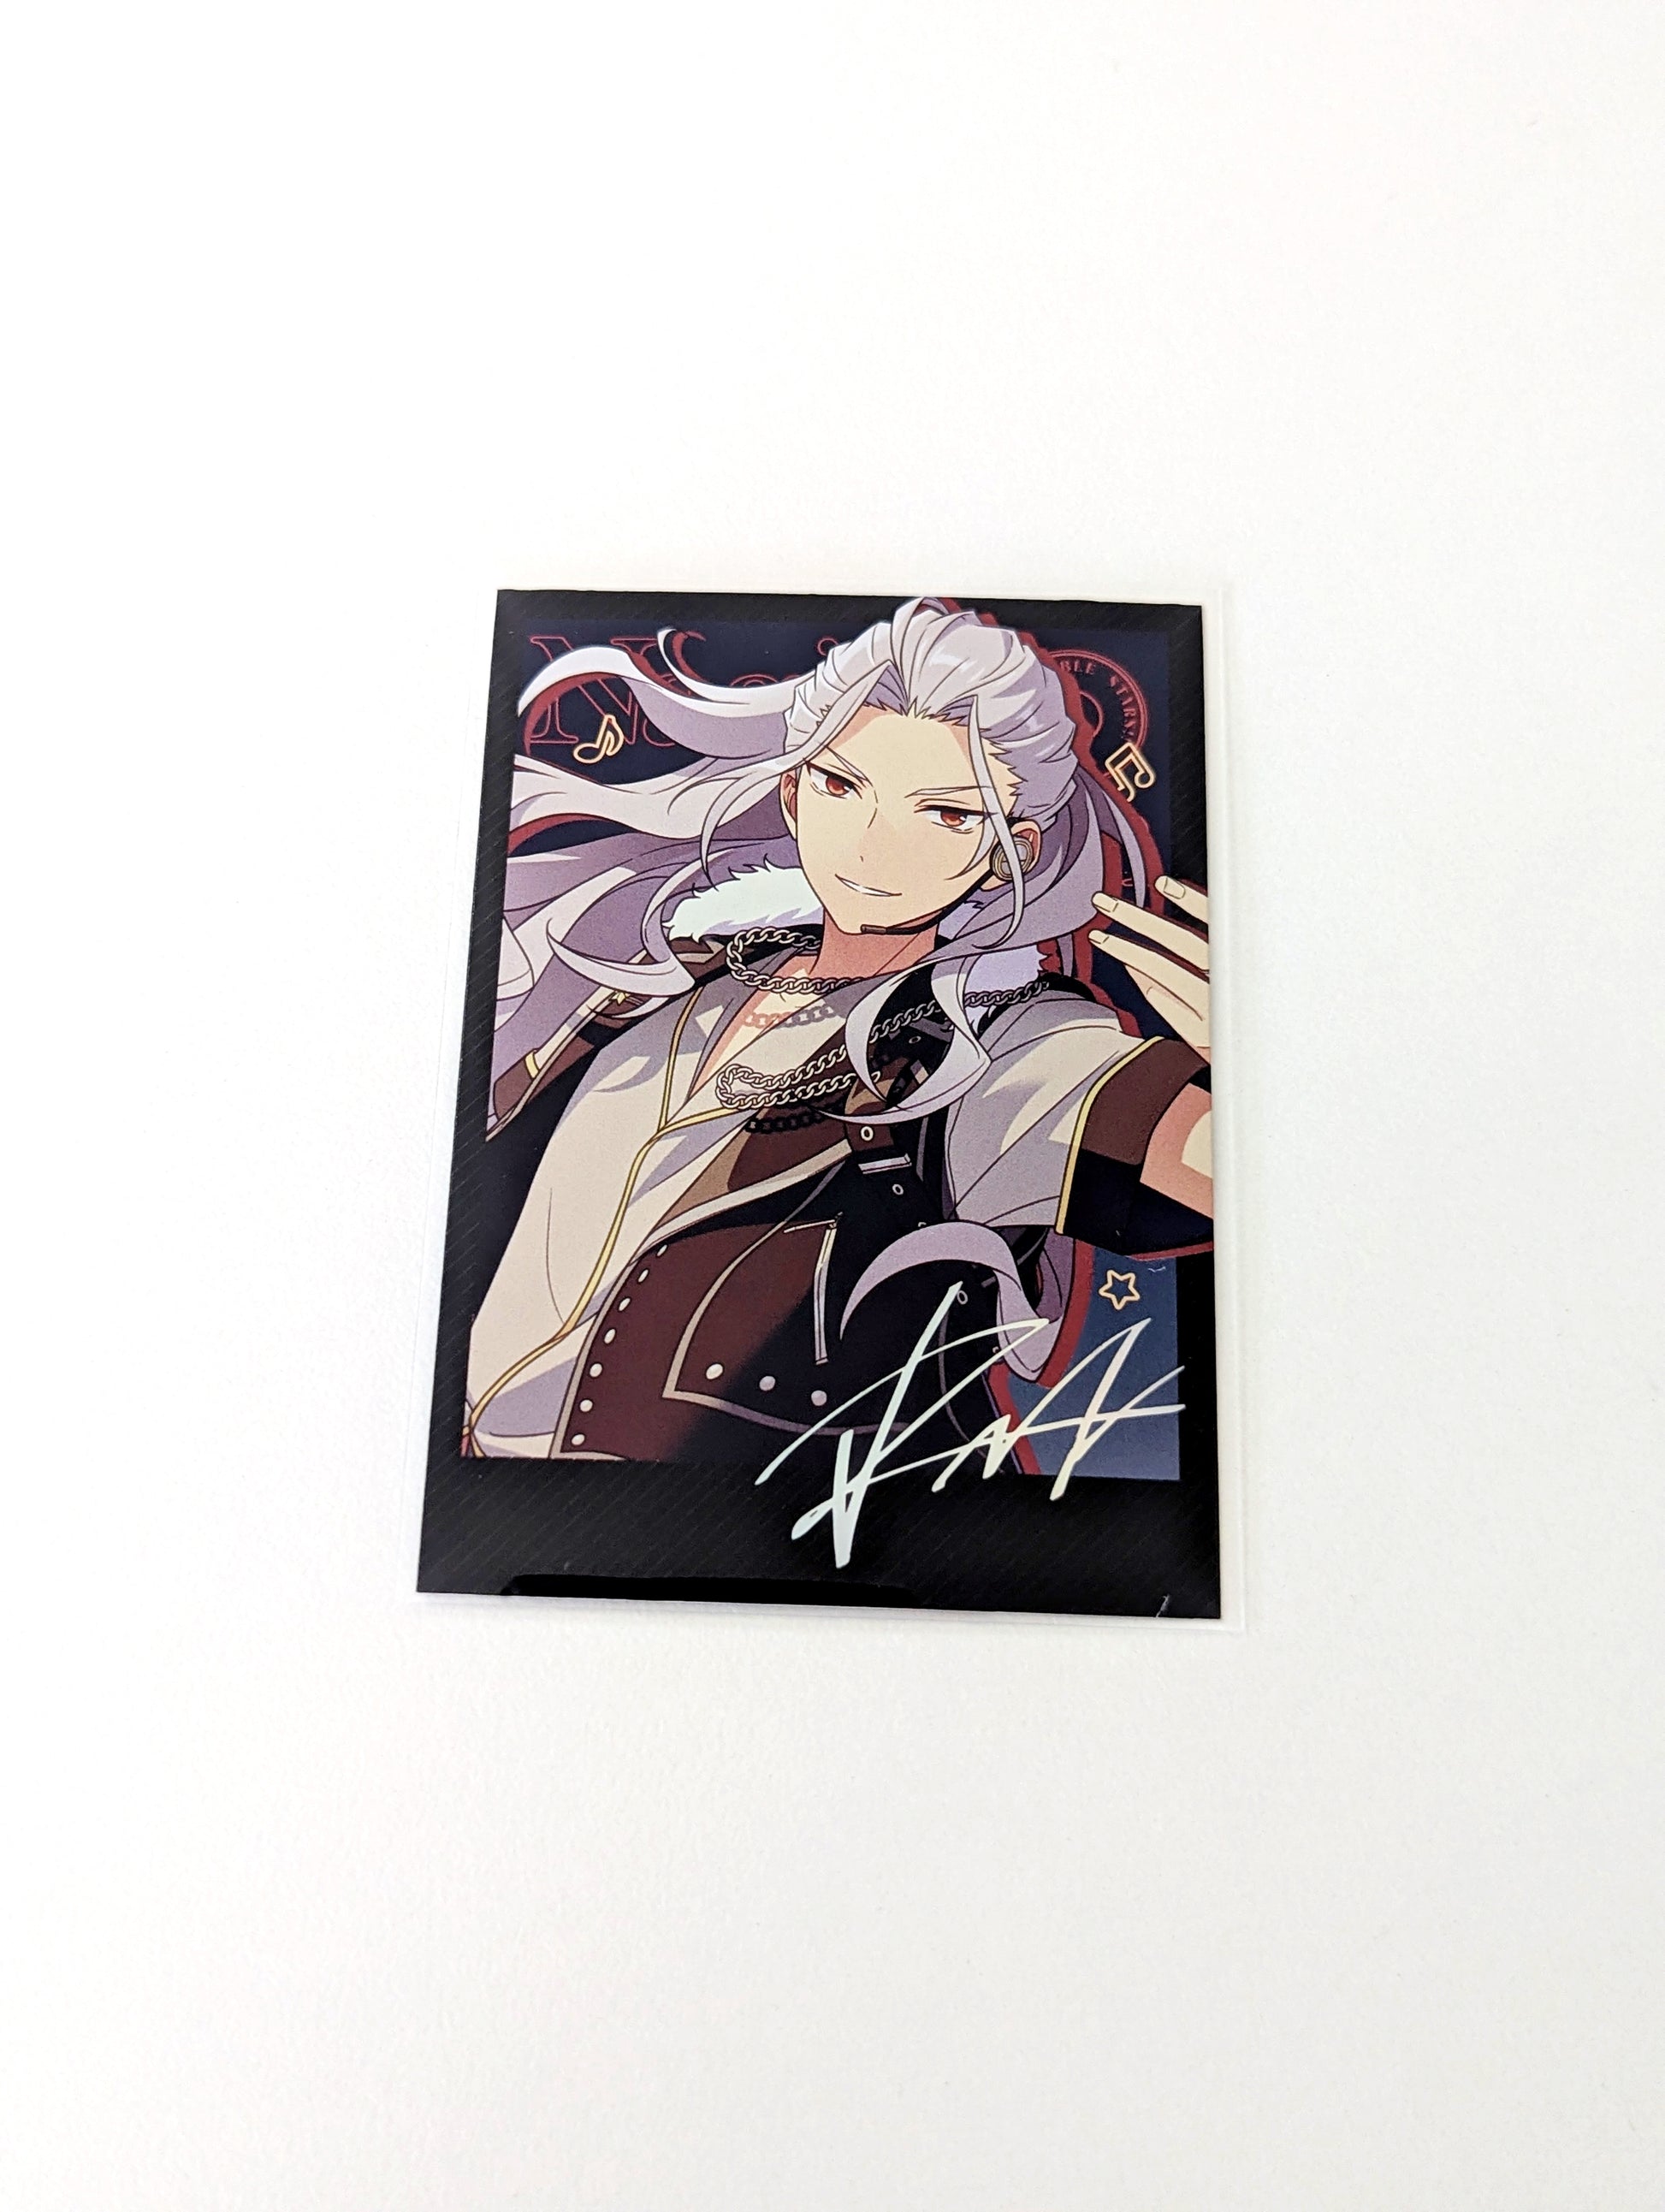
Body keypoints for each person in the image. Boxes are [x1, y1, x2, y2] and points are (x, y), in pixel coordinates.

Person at [465, 597, 1212, 1471]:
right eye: (841, 786)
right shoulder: (667, 978)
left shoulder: (997, 1047)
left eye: (945, 813)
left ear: (1010, 850)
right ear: (792, 792)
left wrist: (1250, 1063)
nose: (872, 843)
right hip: (481, 1483)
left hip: (687, 1522)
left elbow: (1222, 1172)